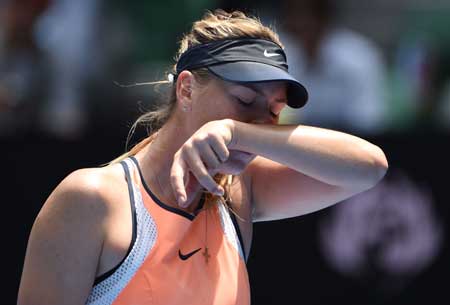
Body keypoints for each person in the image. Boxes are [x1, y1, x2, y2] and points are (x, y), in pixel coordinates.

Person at [17, 9, 388, 305]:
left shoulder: (241, 192)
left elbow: (369, 168)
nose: (260, 123)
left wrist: (238, 130)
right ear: (187, 89)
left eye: (273, 112)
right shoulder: (91, 199)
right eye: (244, 102)